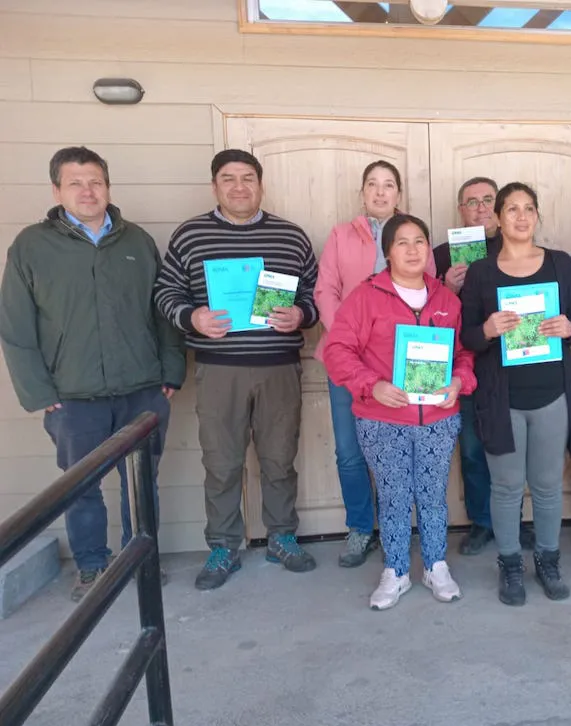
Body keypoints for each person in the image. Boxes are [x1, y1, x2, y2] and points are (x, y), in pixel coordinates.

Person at [0, 146, 184, 601]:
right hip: (71, 396)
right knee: (80, 486)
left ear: (107, 186)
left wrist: (171, 373)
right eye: (76, 182)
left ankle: (139, 560)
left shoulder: (136, 241)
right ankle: (92, 567)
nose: (88, 190)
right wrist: (39, 392)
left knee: (141, 485)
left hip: (142, 390)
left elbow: (161, 313)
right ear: (57, 189)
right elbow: (15, 327)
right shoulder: (32, 246)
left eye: (95, 181)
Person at [154, 148, 319, 590]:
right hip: (218, 369)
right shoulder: (190, 235)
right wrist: (194, 318)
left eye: (248, 178)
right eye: (229, 178)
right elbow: (165, 292)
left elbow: (316, 296)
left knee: (279, 458)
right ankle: (224, 545)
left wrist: (301, 316)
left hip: (278, 367)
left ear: (260, 184)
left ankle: (282, 537)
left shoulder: (291, 236)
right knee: (222, 462)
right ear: (215, 186)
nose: (239, 187)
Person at [324, 214, 474, 610]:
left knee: (432, 494)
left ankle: (436, 564)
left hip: (437, 420)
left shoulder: (446, 299)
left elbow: (464, 355)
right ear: (387, 251)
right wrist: (371, 385)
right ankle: (395, 570)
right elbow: (336, 351)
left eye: (420, 241)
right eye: (402, 242)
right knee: (393, 495)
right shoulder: (366, 295)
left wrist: (458, 383)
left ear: (429, 249)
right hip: (382, 419)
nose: (412, 250)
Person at [461, 182, 571, 605]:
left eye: (528, 208)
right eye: (511, 209)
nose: (520, 216)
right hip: (502, 399)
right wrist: (488, 330)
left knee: (548, 487)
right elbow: (468, 337)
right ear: (497, 217)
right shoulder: (481, 271)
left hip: (551, 394)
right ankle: (510, 564)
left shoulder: (560, 265)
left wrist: (569, 328)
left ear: (537, 215)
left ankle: (548, 561)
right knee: (507, 487)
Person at [315, 160, 436, 569]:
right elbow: (325, 290)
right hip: (347, 363)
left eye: (389, 185)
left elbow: (429, 293)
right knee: (350, 451)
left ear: (399, 193)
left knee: (406, 452)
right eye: (372, 185)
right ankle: (361, 528)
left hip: (404, 362)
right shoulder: (340, 235)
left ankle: (402, 530)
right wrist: (349, 340)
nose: (381, 192)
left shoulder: (414, 235)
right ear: (362, 191)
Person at [432, 177, 535, 555]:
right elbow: (424, 316)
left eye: (487, 201)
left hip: (512, 366)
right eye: (470, 202)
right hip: (463, 368)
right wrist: (447, 288)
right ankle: (482, 522)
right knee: (474, 451)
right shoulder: (441, 254)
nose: (478, 208)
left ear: (497, 210)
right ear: (461, 210)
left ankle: (515, 521)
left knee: (513, 449)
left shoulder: (518, 249)